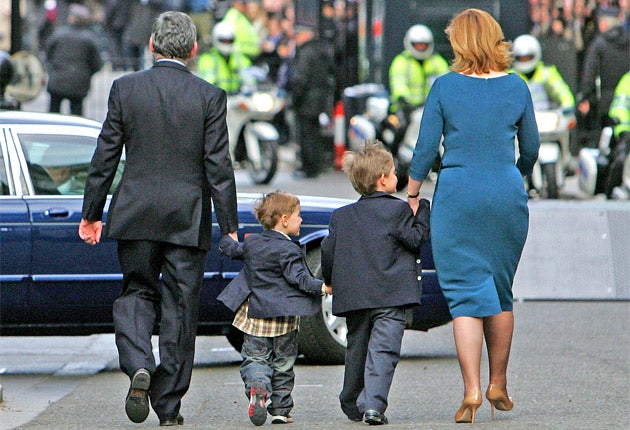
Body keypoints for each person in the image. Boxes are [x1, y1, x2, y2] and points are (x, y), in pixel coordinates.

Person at [78, 11, 239, 426]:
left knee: (135, 292)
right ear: (194, 50)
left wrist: (91, 214)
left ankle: (138, 364)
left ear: (151, 46)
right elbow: (219, 168)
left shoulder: (125, 90)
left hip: (136, 214)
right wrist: (231, 226)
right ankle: (168, 408)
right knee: (181, 308)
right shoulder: (209, 96)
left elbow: (105, 158)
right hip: (187, 218)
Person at [406, 8, 539, 424]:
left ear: (459, 43)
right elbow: (531, 148)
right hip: (505, 192)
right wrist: (512, 176)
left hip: (458, 195)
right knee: (500, 290)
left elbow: (426, 148)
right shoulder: (517, 87)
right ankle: (499, 382)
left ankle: (472, 389)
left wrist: (412, 192)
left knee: (465, 295)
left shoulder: (444, 87)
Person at [321, 141, 431, 426]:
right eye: (394, 173)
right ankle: (373, 405)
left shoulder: (341, 217)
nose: (397, 177)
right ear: (384, 180)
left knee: (357, 348)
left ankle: (350, 399)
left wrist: (331, 281)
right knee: (383, 350)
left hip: (355, 297)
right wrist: (422, 211)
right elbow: (416, 239)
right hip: (391, 296)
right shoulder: (397, 212)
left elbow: (328, 253)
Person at [217, 191, 328, 426]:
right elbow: (301, 280)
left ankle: (258, 386)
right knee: (283, 365)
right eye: (299, 215)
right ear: (285, 219)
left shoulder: (253, 243)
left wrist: (228, 237)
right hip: (284, 320)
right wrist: (324, 287)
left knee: (255, 359)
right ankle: (280, 410)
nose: (302, 220)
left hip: (255, 316)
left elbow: (232, 249)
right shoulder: (290, 250)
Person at [289, 24, 336, 178]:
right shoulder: (322, 50)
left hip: (306, 101)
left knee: (306, 135)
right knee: (315, 134)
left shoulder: (305, 52)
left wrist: (294, 98)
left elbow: (300, 79)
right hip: (319, 99)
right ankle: (316, 165)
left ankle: (309, 167)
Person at [577, 6, 630, 130]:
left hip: (605, 104)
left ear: (603, 23)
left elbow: (589, 75)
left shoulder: (599, 44)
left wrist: (584, 97)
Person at [45, 3, 102, 116]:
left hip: (57, 80)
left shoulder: (58, 34)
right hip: (79, 83)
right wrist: (87, 74)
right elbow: (97, 63)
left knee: (53, 114)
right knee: (77, 115)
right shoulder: (90, 38)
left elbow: (48, 55)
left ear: (71, 18)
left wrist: (52, 70)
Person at [388, 24, 449, 122]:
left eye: (424, 44)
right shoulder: (402, 62)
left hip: (433, 110)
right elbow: (398, 83)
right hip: (407, 110)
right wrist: (403, 99)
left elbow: (447, 84)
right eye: (417, 44)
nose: (421, 47)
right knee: (399, 129)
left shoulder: (438, 62)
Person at [511, 34, 575, 112]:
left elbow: (561, 89)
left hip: (545, 116)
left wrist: (568, 104)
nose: (525, 61)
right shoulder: (510, 76)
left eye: (528, 58)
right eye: (521, 58)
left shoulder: (546, 72)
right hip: (520, 118)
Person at [196, 21, 253, 94]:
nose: (227, 43)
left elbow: (249, 78)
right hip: (218, 99)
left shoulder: (239, 57)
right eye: (224, 40)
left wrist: (248, 87)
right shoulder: (207, 59)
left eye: (229, 40)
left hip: (239, 97)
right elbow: (208, 81)